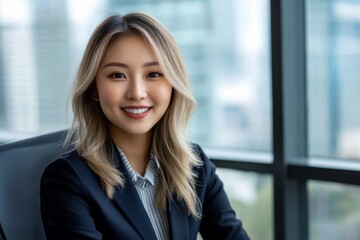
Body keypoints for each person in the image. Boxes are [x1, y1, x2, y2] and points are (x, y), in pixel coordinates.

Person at [40, 12, 250, 240]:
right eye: (118, 75)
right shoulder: (68, 179)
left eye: (153, 74)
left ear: (173, 85)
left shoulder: (194, 165)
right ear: (93, 89)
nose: (137, 93)